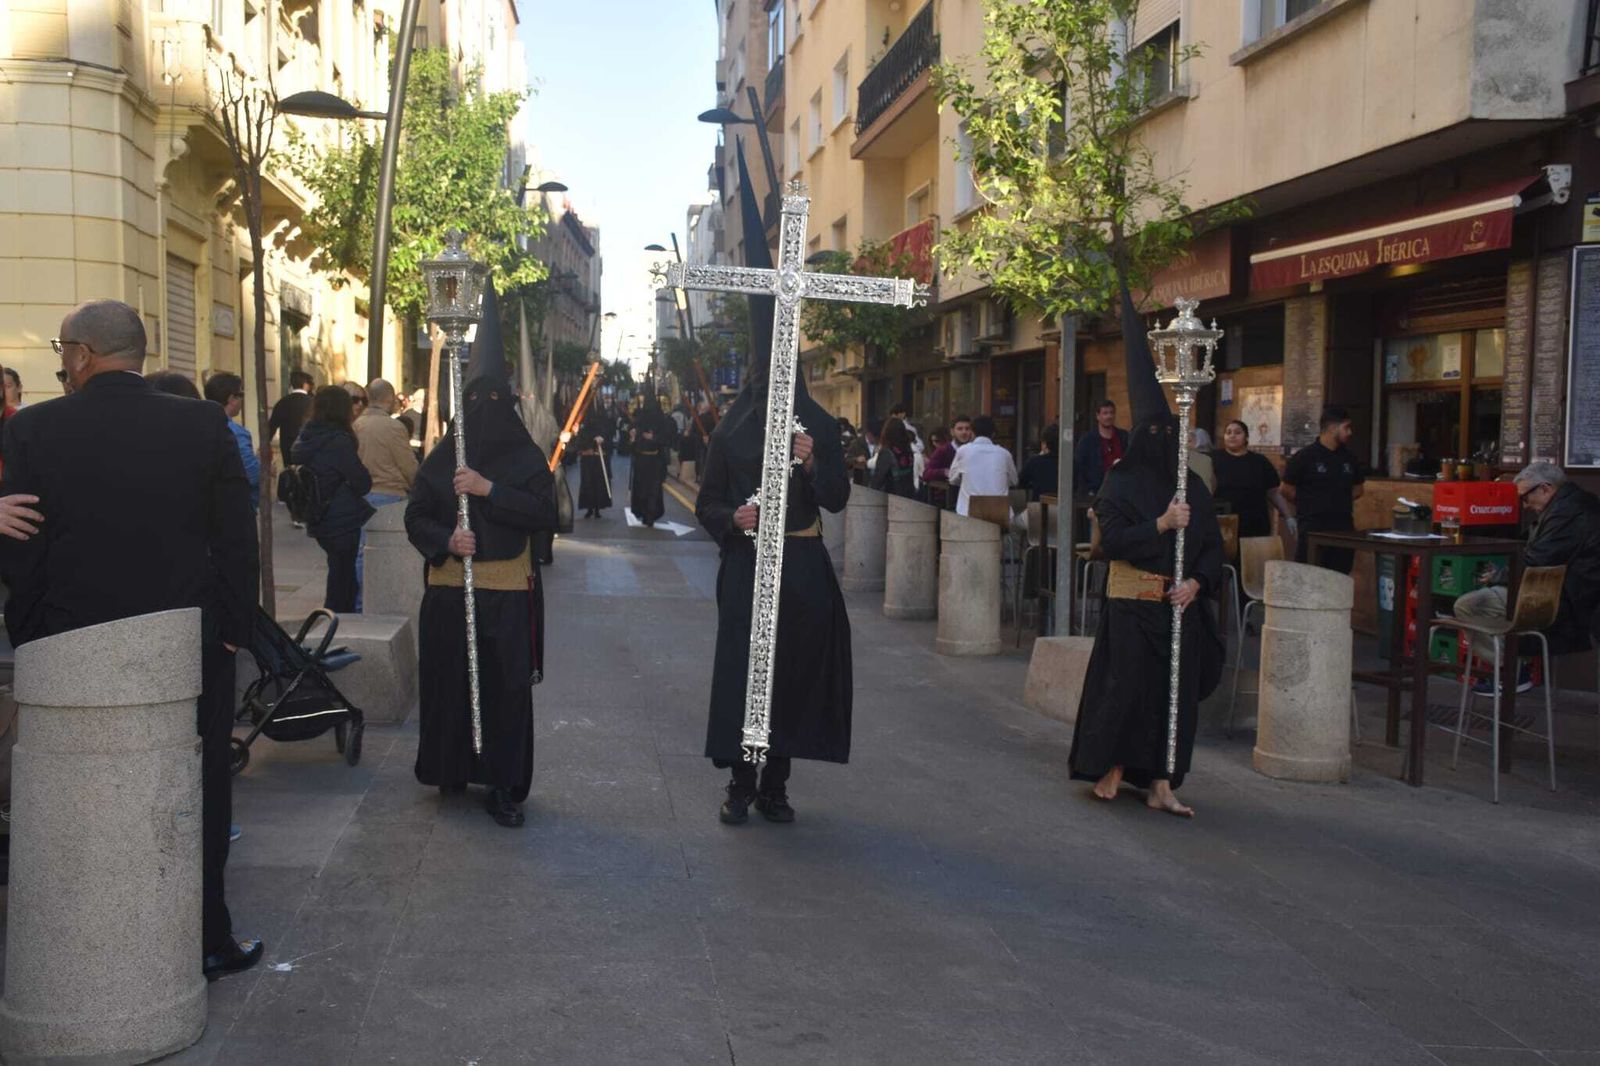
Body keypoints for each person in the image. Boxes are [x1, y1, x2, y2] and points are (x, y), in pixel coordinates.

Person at [0, 299, 261, 977]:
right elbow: (236, 542)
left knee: (79, 795)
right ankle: (206, 936)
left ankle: (88, 938)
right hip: (187, 643)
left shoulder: (32, 430)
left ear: (82, 355)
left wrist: (29, 637)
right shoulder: (206, 424)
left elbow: (22, 545)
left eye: (63, 352)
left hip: (68, 645)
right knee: (198, 790)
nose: (62, 364)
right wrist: (231, 633)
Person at [698, 142, 852, 826]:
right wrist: (732, 520)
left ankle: (778, 784)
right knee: (744, 675)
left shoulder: (818, 421)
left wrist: (815, 460)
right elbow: (707, 502)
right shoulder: (732, 430)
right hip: (747, 564)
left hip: (804, 565)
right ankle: (739, 783)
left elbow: (842, 496)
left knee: (790, 676)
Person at [1068, 289, 1224, 818]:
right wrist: (1160, 524)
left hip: (1177, 606)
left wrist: (1196, 583)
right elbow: (1110, 542)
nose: (1162, 441)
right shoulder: (1120, 482)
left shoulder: (1192, 487)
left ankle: (1162, 782)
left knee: (1171, 700)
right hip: (1131, 604)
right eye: (1153, 432)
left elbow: (1212, 547)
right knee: (1126, 692)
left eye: (1170, 433)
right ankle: (1112, 768)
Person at [405, 293, 558, 828]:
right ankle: (450, 766)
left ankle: (501, 783)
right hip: (450, 593)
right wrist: (448, 540)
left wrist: (489, 489)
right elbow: (416, 516)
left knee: (503, 690)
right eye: (479, 400)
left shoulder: (525, 458)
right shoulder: (444, 456)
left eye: (497, 399)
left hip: (507, 598)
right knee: (449, 683)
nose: (487, 409)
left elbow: (546, 512)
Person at [1452, 461, 1600, 693]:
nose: (1525, 505)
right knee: (1487, 604)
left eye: (1525, 497)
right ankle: (1514, 667)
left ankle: (1510, 671)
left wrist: (1498, 576)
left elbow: (1537, 562)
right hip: (1573, 594)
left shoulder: (1567, 513)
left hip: (1562, 600)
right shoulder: (1574, 504)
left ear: (1545, 488)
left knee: (1468, 606)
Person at [292, 386, 374, 613]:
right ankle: (338, 621)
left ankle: (336, 618)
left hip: (319, 516)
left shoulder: (308, 436)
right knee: (343, 578)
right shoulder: (338, 441)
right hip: (341, 519)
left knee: (339, 572)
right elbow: (362, 481)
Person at [1281, 405, 1365, 574]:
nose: (1350, 433)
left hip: (1343, 529)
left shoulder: (1349, 457)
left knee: (1340, 578)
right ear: (1332, 427)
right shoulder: (1305, 457)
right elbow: (1286, 489)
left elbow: (1358, 489)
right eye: (1346, 427)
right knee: (1310, 578)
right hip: (1313, 528)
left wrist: (1337, 500)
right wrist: (1310, 502)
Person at [1211, 420, 1293, 539]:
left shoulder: (1260, 462)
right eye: (1228, 432)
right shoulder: (1213, 459)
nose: (1232, 436)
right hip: (1222, 524)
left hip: (1254, 525)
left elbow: (1273, 492)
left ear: (1246, 437)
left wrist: (1288, 517)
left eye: (1237, 432)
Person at [354, 378, 417, 510]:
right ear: (390, 399)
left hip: (360, 496)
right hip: (391, 495)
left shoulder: (355, 425)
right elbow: (408, 466)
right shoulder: (395, 427)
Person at [204, 371, 262, 513]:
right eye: (241, 395)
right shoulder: (236, 433)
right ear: (232, 398)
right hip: (237, 508)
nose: (242, 400)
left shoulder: (200, 426)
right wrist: (263, 465)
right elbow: (251, 474)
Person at [946, 414, 1017, 516]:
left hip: (967, 513)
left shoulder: (964, 451)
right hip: (1000, 514)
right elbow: (1014, 481)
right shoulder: (1004, 453)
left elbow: (952, 479)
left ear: (973, 433)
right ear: (993, 434)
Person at [629, 393, 673, 526]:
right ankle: (643, 512)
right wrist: (632, 439)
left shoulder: (661, 423)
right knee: (641, 490)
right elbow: (632, 446)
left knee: (653, 490)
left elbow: (666, 440)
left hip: (655, 461)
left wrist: (653, 438)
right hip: (641, 461)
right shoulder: (639, 422)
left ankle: (650, 516)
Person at [1073, 400, 1129, 497]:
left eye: (1111, 413)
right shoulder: (1088, 440)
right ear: (1098, 416)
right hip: (1096, 490)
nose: (1109, 416)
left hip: (1120, 488)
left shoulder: (1124, 437)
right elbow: (1079, 466)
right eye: (1105, 413)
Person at [576, 394, 614, 518]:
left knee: (599, 483)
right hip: (588, 458)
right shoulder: (583, 422)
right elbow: (581, 437)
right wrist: (589, 442)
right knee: (588, 483)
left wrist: (602, 439)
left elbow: (609, 434)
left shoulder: (605, 421)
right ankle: (589, 507)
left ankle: (597, 508)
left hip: (600, 457)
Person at [268, 370, 314, 471]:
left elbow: (271, 427)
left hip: (287, 449)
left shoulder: (282, 403)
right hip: (308, 449)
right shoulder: (313, 403)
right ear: (305, 385)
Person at [870, 417, 917, 498]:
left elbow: (878, 479)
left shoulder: (887, 452)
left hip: (891, 496)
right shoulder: (908, 450)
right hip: (908, 495)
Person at [1017, 424, 1059, 501]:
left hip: (1040, 508)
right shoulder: (1070, 464)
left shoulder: (1034, 462)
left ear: (1044, 444)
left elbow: (1020, 482)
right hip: (1066, 508)